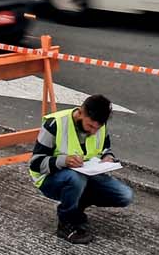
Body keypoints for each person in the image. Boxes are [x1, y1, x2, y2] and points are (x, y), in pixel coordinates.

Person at [30, 94, 132, 243]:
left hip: (87, 174)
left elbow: (105, 147)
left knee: (124, 195)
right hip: (50, 178)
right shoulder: (55, 124)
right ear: (80, 113)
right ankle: (66, 222)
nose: (93, 132)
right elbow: (35, 163)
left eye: (97, 128)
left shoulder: (99, 125)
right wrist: (64, 161)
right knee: (75, 179)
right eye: (90, 126)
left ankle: (77, 205)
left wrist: (108, 157)